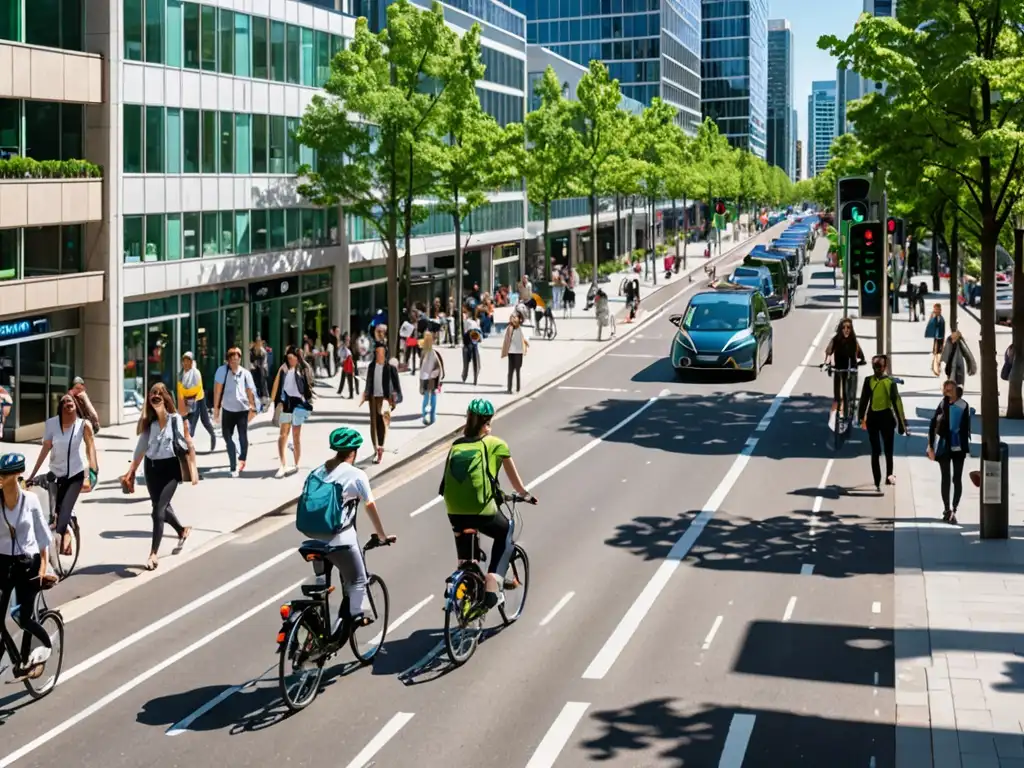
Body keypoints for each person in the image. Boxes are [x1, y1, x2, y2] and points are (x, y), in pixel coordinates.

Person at [440, 400, 535, 613]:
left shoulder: (457, 445)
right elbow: (515, 482)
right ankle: (493, 580)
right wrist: (525, 495)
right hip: (482, 510)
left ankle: (465, 594)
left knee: (466, 559)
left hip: (454, 510)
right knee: (505, 531)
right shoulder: (496, 444)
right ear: (488, 422)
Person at [304, 428, 396, 634]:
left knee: (321, 587)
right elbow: (369, 505)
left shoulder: (317, 472)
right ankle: (358, 616)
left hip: (312, 540)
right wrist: (382, 535)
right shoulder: (356, 475)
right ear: (353, 452)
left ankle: (315, 631)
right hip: (340, 542)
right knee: (358, 579)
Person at [122, 383, 195, 571]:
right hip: (151, 468)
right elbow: (140, 448)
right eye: (152, 393)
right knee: (159, 508)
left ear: (165, 398)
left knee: (158, 511)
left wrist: (192, 464)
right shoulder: (149, 423)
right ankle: (182, 530)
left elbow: (182, 441)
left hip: (171, 468)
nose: (155, 396)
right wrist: (131, 472)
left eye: (160, 393)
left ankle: (153, 554)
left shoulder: (174, 419)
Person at [0, 453, 56, 679]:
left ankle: (45, 645)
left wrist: (44, 567)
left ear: (17, 475)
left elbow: (43, 538)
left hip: (28, 563)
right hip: (3, 563)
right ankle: (12, 656)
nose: (0, 479)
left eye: (4, 475)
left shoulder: (30, 501)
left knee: (22, 617)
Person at [26, 393, 99, 557]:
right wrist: (33, 474)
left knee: (64, 512)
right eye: (64, 401)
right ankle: (66, 534)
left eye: (70, 401)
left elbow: (90, 447)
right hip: (56, 475)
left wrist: (94, 471)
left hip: (75, 475)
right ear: (60, 407)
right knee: (54, 515)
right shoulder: (52, 424)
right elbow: (45, 449)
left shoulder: (83, 425)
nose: (67, 403)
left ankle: (56, 553)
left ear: (75, 405)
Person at [858, 355, 908, 491]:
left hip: (886, 417)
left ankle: (888, 476)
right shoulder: (868, 381)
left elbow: (896, 402)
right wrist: (860, 417)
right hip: (873, 418)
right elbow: (864, 400)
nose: (877, 369)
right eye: (875, 366)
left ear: (884, 367)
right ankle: (877, 479)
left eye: (879, 366)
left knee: (888, 450)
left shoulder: (890, 382)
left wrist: (902, 423)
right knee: (877, 451)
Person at [928, 380, 972, 525]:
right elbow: (933, 423)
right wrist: (931, 446)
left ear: (956, 390)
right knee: (945, 477)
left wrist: (966, 447)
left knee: (957, 478)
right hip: (945, 445)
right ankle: (947, 509)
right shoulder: (942, 404)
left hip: (958, 446)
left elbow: (966, 428)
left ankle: (954, 508)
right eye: (945, 390)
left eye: (950, 390)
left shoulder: (963, 405)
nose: (947, 392)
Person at [270, 346, 315, 479]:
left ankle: (296, 464)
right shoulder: (283, 369)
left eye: (293, 358)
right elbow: (277, 385)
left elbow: (309, 384)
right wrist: (273, 400)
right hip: (287, 403)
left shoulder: (303, 368)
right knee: (283, 434)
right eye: (288, 358)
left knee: (296, 435)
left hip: (299, 404)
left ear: (297, 358)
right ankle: (283, 464)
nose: (290, 360)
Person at [214, 348, 258, 478]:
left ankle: (241, 459)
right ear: (228, 360)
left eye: (237, 358)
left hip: (242, 409)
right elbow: (217, 390)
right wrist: (216, 409)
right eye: (232, 359)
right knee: (227, 437)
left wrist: (253, 407)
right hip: (228, 409)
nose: (234, 361)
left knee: (242, 436)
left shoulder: (245, 373)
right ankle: (233, 465)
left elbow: (250, 390)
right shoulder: (222, 371)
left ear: (240, 359)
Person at [361, 344, 401, 464]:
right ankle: (376, 449)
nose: (379, 355)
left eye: (382, 353)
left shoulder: (390, 368)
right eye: (377, 353)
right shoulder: (372, 367)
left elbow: (397, 387)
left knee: (382, 423)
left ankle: (381, 447)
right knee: (373, 423)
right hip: (373, 398)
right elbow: (368, 382)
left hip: (385, 399)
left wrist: (394, 399)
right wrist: (366, 394)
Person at [823, 318, 866, 423]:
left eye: (849, 328)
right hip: (839, 368)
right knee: (837, 393)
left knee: (848, 392)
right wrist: (826, 363)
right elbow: (829, 351)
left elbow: (860, 354)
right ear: (840, 329)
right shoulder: (836, 339)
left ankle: (849, 409)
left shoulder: (853, 341)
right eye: (844, 328)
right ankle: (838, 409)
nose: (846, 330)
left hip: (850, 369)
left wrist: (862, 360)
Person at [177, 352, 216, 453]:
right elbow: (179, 390)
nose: (185, 363)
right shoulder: (181, 374)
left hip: (198, 400)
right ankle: (186, 447)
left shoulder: (195, 373)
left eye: (188, 361)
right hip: (187, 402)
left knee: (204, 421)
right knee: (188, 424)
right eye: (184, 361)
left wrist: (185, 393)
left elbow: (196, 388)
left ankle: (212, 436)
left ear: (192, 362)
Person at [418, 331, 445, 425]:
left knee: (426, 397)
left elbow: (422, 367)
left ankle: (426, 417)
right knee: (432, 396)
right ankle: (432, 417)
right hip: (433, 379)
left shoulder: (425, 352)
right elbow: (439, 366)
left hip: (427, 378)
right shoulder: (432, 352)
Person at [501, 311, 528, 394]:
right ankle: (509, 388)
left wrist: (526, 343)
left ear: (519, 319)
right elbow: (506, 339)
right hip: (511, 352)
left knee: (518, 369)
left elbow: (525, 338)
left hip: (519, 352)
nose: (513, 319)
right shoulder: (510, 328)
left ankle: (518, 388)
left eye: (515, 317)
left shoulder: (522, 328)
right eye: (512, 317)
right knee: (510, 370)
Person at [924, 304, 946, 377]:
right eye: (935, 310)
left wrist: (943, 340)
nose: (935, 311)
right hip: (936, 338)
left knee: (939, 353)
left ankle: (937, 367)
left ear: (940, 310)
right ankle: (935, 366)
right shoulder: (935, 318)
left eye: (937, 310)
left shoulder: (941, 319)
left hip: (940, 338)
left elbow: (943, 330)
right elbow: (931, 325)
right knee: (935, 353)